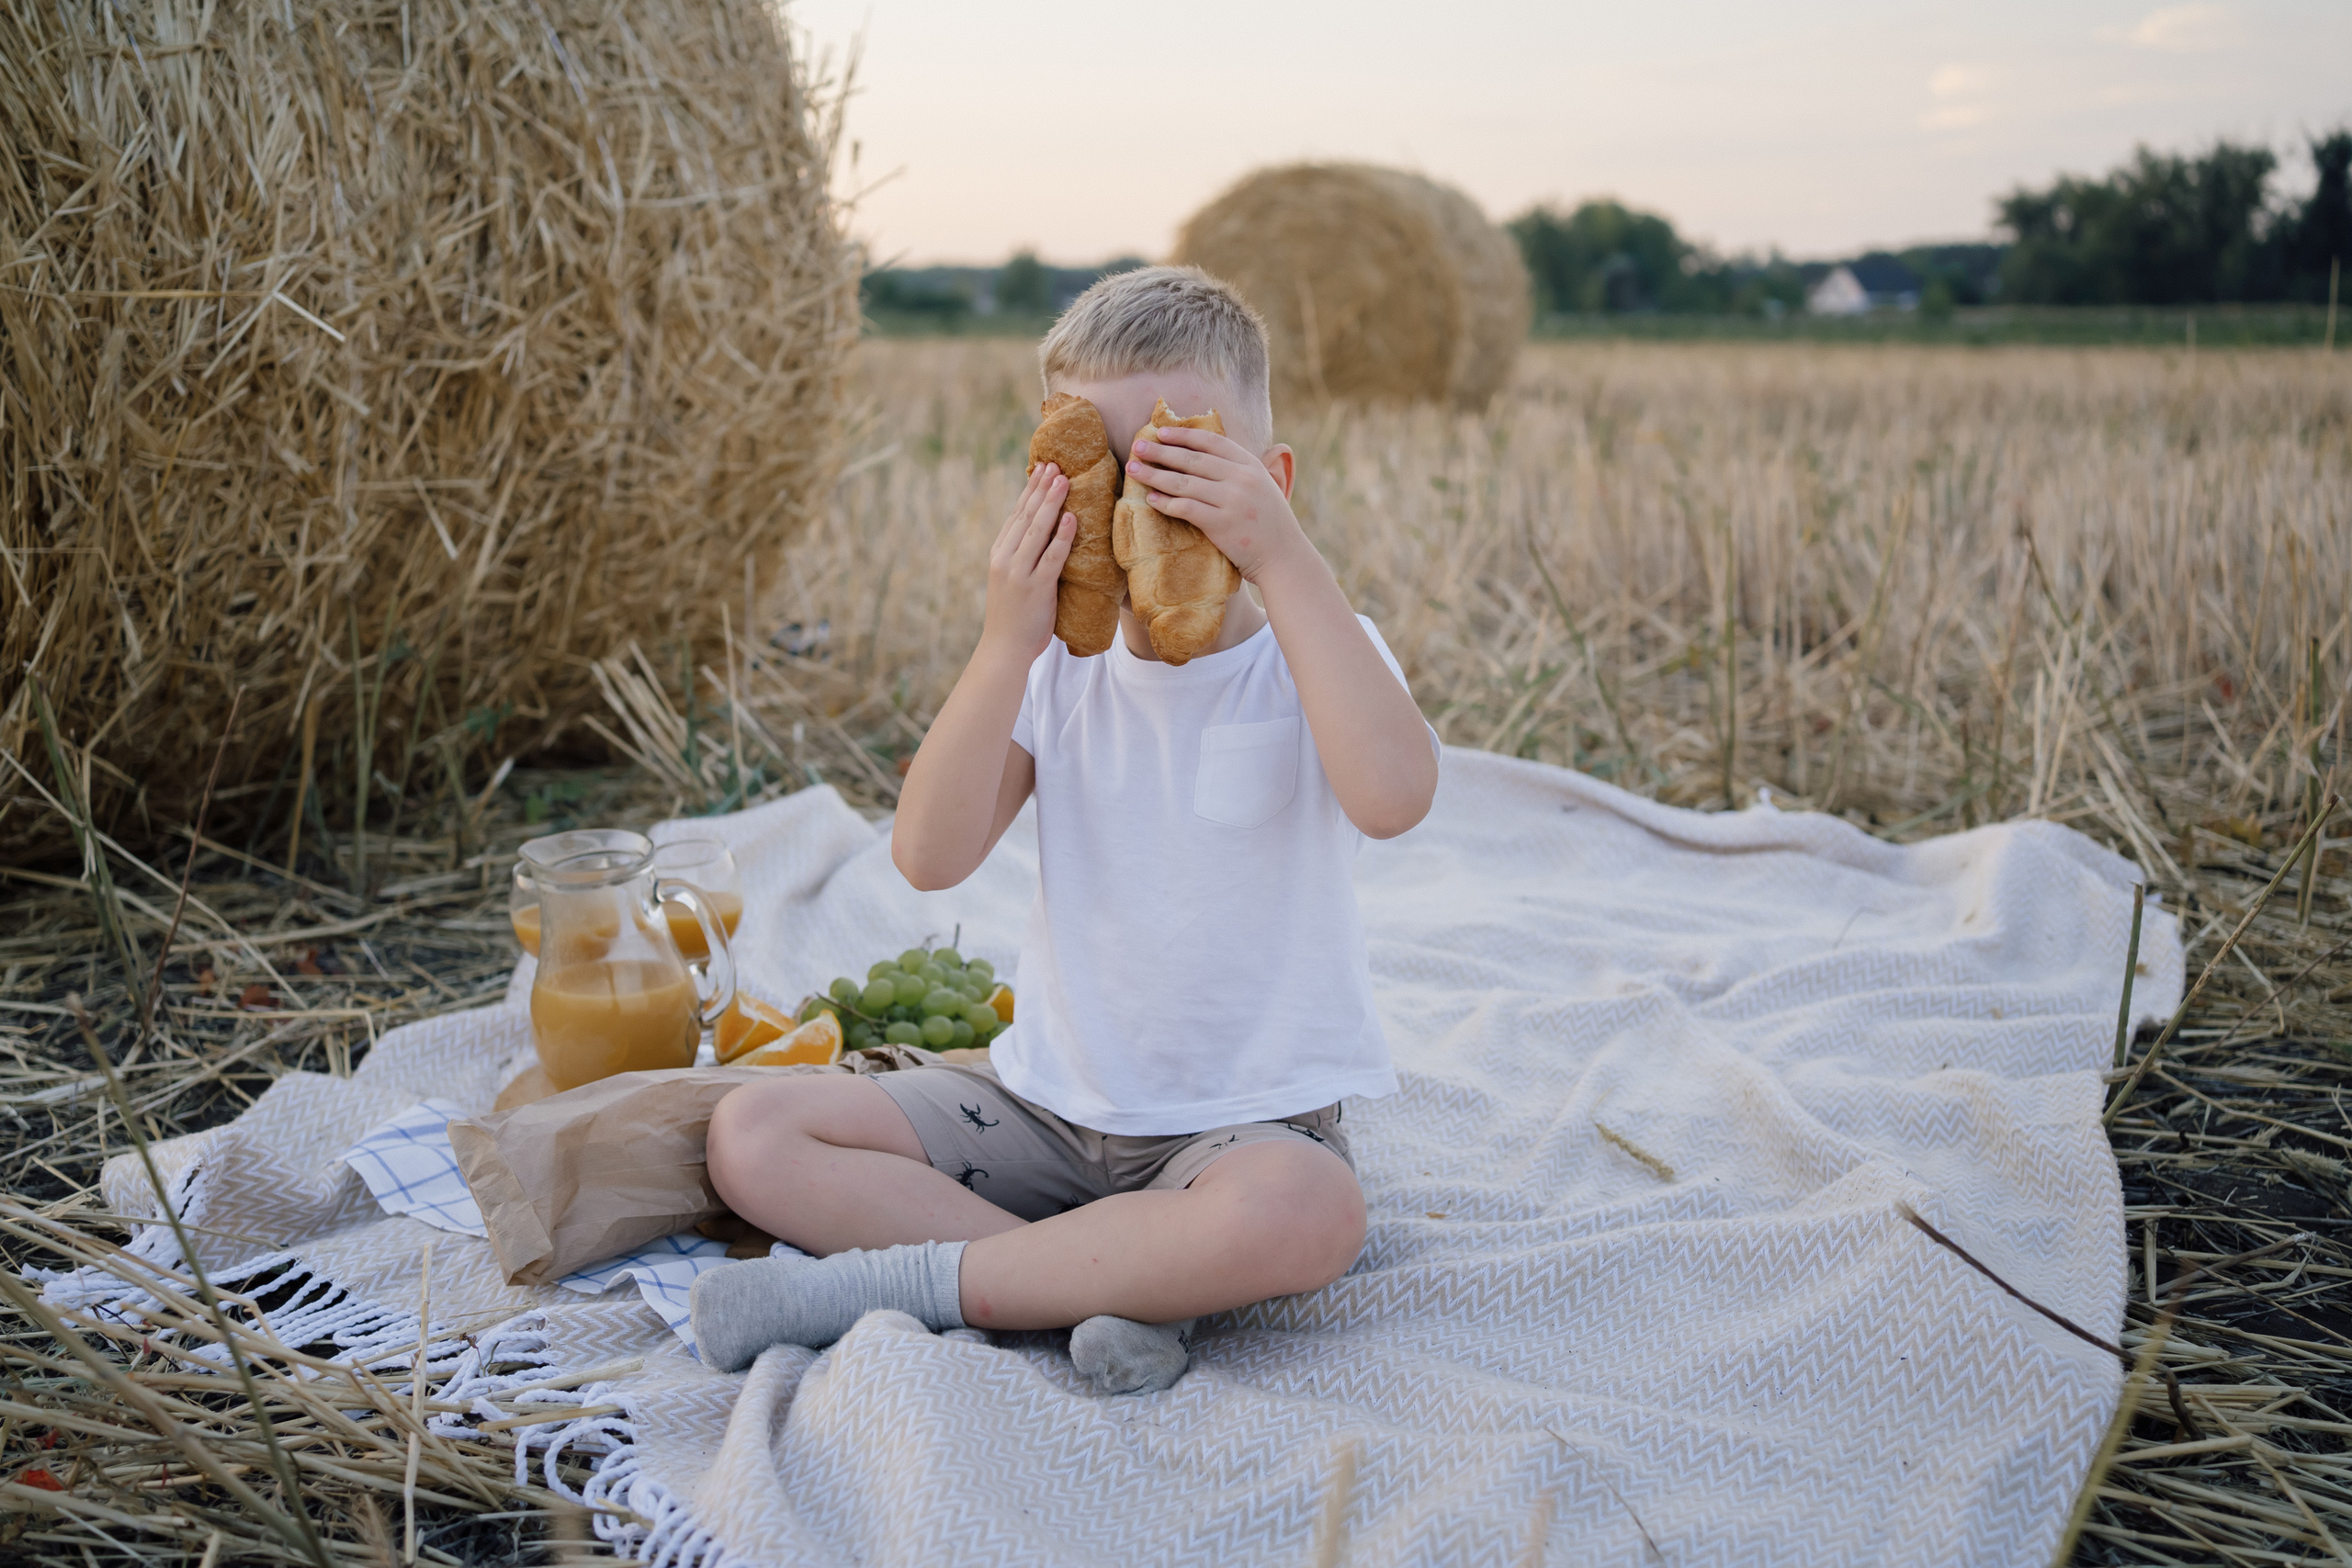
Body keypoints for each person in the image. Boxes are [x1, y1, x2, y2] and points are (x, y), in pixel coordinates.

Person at [689, 266, 1439, 1391]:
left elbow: (1395, 796)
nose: (1137, 505)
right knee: (753, 1134)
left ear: (1269, 482)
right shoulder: (1057, 668)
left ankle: (903, 1287)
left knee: (1312, 1213)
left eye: (1180, 465)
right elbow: (929, 857)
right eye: (1103, 471)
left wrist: (1285, 560)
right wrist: (1005, 646)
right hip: (1043, 1108)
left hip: (1236, 1135)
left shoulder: (1311, 648)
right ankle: (1120, 1283)